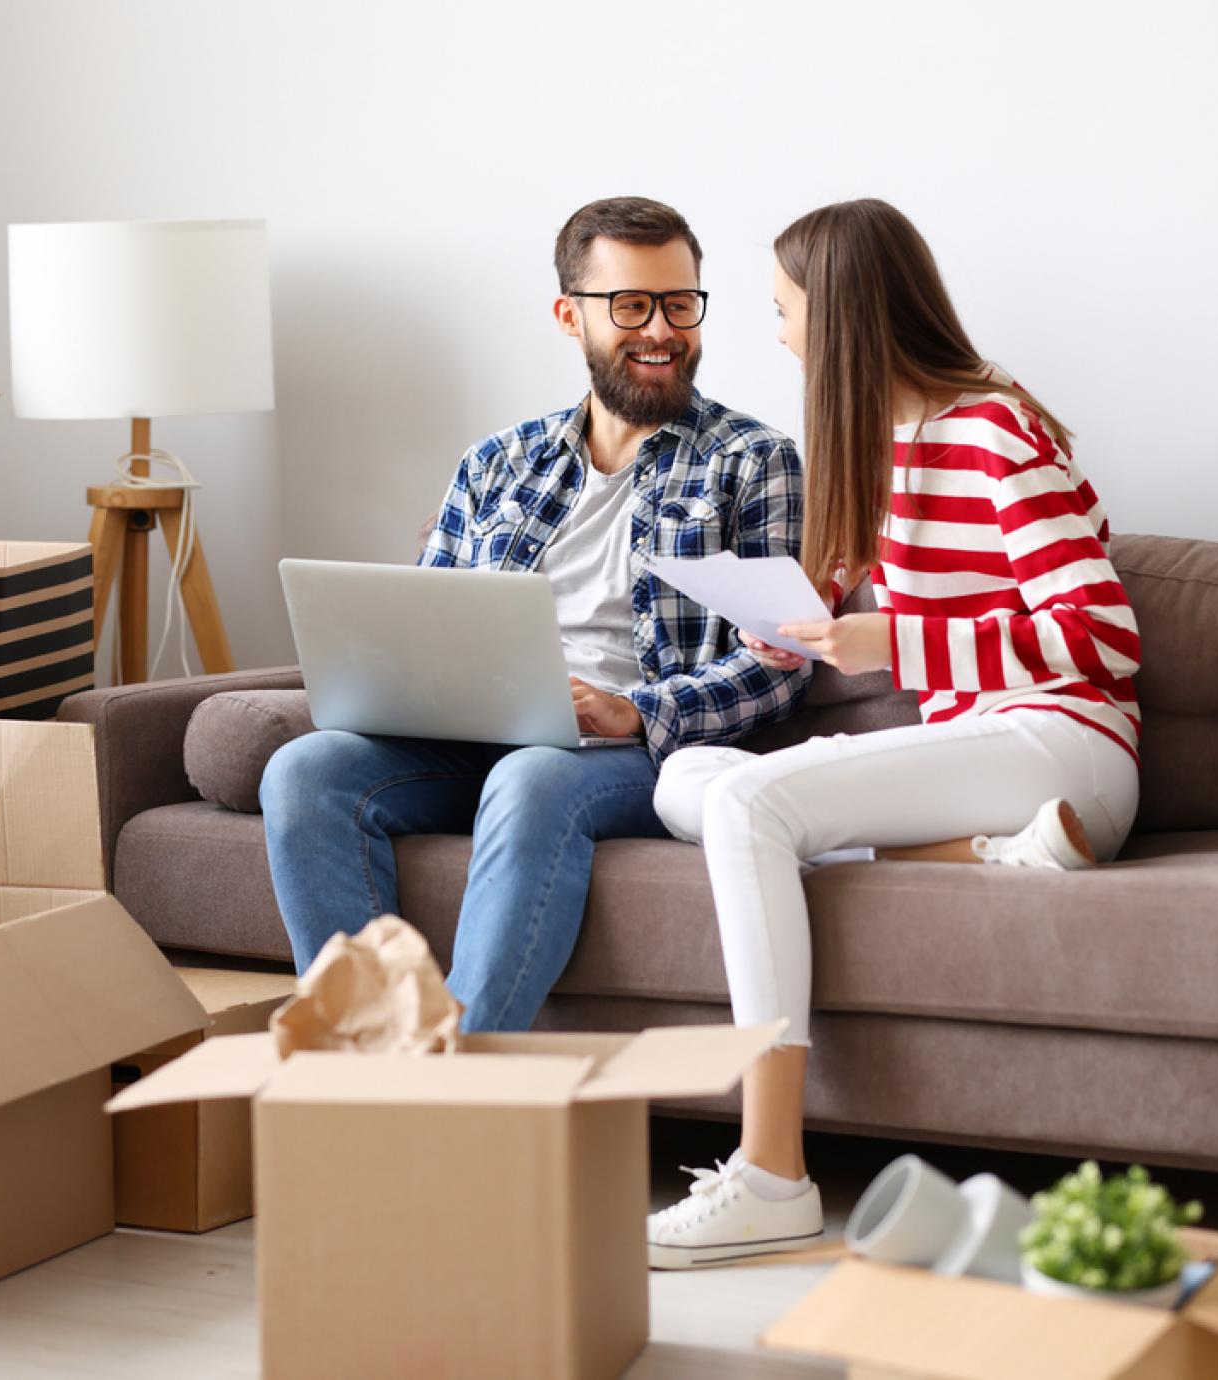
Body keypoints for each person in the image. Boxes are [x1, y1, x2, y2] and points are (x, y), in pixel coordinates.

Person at [643, 199, 1141, 1269]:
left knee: (746, 805)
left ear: (838, 316)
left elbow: (1097, 638)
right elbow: (865, 625)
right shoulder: (883, 448)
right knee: (685, 779)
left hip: (1062, 741)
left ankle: (769, 1171)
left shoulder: (995, 429)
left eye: (782, 312)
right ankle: (991, 857)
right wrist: (797, 631)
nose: (774, 337)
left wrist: (901, 645)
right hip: (986, 775)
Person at [260, 196, 809, 1032]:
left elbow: (778, 665)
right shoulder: (498, 462)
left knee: (531, 775)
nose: (661, 330)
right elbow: (425, 617)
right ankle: (362, 1064)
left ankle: (467, 1076)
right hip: (474, 738)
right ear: (569, 315)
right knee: (304, 771)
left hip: (625, 752)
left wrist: (636, 710)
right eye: (630, 305)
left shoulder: (753, 461)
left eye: (680, 304)